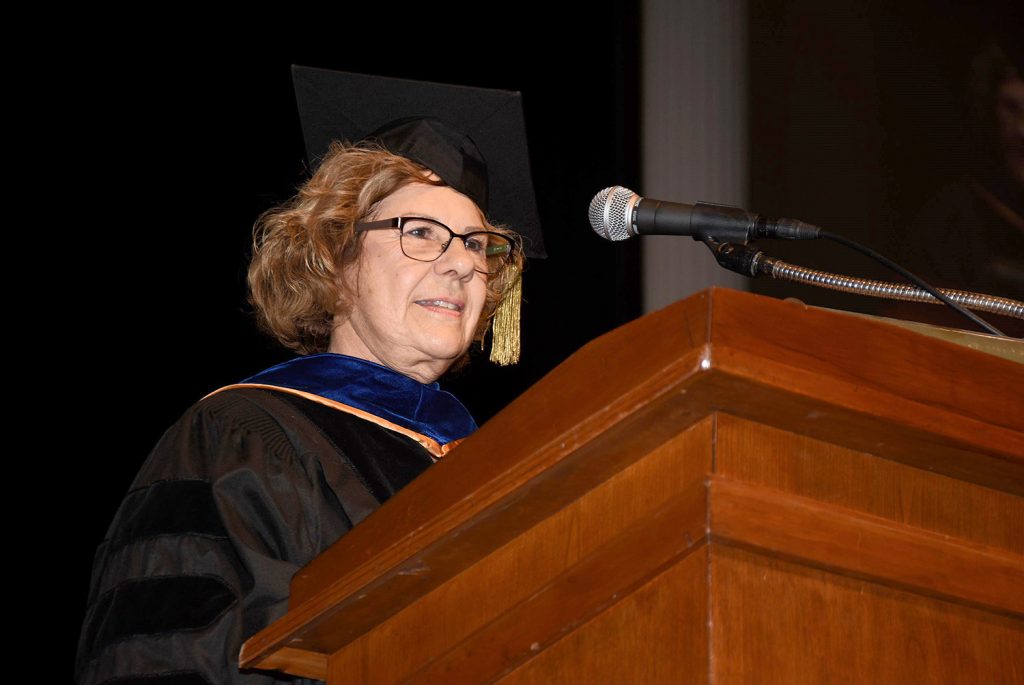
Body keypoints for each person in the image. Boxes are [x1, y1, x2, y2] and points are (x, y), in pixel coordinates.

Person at [76, 68, 544, 684]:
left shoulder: (506, 472)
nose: (461, 263)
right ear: (334, 260)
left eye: (479, 245)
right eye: (422, 234)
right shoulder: (238, 436)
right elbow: (159, 660)